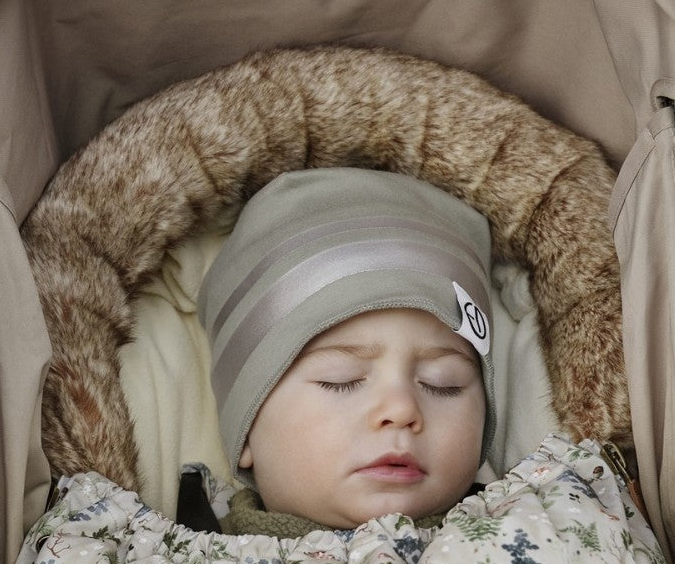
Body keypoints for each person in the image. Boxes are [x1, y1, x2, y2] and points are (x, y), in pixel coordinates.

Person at [196, 167, 498, 533]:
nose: (401, 409)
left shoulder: (535, 528)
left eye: (442, 383)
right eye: (341, 380)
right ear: (245, 433)